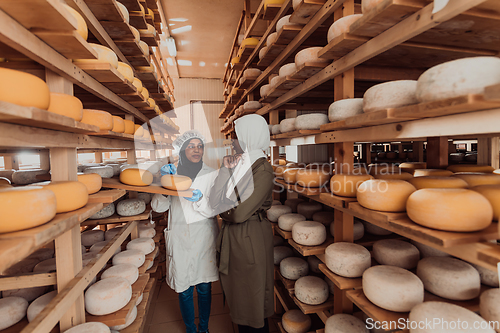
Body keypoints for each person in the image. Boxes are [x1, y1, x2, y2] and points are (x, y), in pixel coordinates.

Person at [208, 114, 274, 333]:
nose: (233, 141)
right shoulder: (239, 163)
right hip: (234, 237)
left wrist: (224, 208)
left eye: (236, 136)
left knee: (251, 301)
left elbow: (239, 214)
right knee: (239, 296)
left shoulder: (261, 169)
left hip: (249, 238)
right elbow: (214, 201)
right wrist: (225, 170)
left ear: (250, 136)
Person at [151, 130, 218, 333]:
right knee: (185, 289)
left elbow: (214, 208)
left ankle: (204, 328)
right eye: (191, 146)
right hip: (180, 236)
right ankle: (191, 329)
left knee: (205, 288)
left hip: (203, 235)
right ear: (182, 150)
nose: (197, 150)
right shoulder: (172, 175)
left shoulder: (211, 173)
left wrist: (199, 199)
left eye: (200, 146)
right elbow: (157, 207)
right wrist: (164, 186)